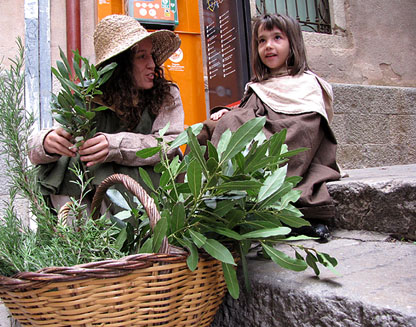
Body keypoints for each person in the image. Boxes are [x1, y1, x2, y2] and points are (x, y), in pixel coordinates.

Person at [197, 13, 340, 241]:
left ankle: (294, 216)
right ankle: (207, 206)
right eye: (262, 41)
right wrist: (230, 113)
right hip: (262, 137)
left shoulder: (308, 84)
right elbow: (250, 114)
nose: (268, 46)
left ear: (293, 43)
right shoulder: (258, 86)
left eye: (277, 38)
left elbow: (307, 130)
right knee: (208, 127)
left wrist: (247, 124)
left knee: (242, 128)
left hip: (292, 148)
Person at [28, 14, 184, 215]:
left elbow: (170, 143)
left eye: (152, 55)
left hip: (148, 186)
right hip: (96, 193)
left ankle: (128, 235)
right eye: (142, 56)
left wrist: (116, 145)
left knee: (101, 163)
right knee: (65, 161)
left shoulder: (166, 95)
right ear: (120, 64)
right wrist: (46, 143)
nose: (152, 64)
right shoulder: (90, 97)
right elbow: (43, 144)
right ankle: (73, 235)